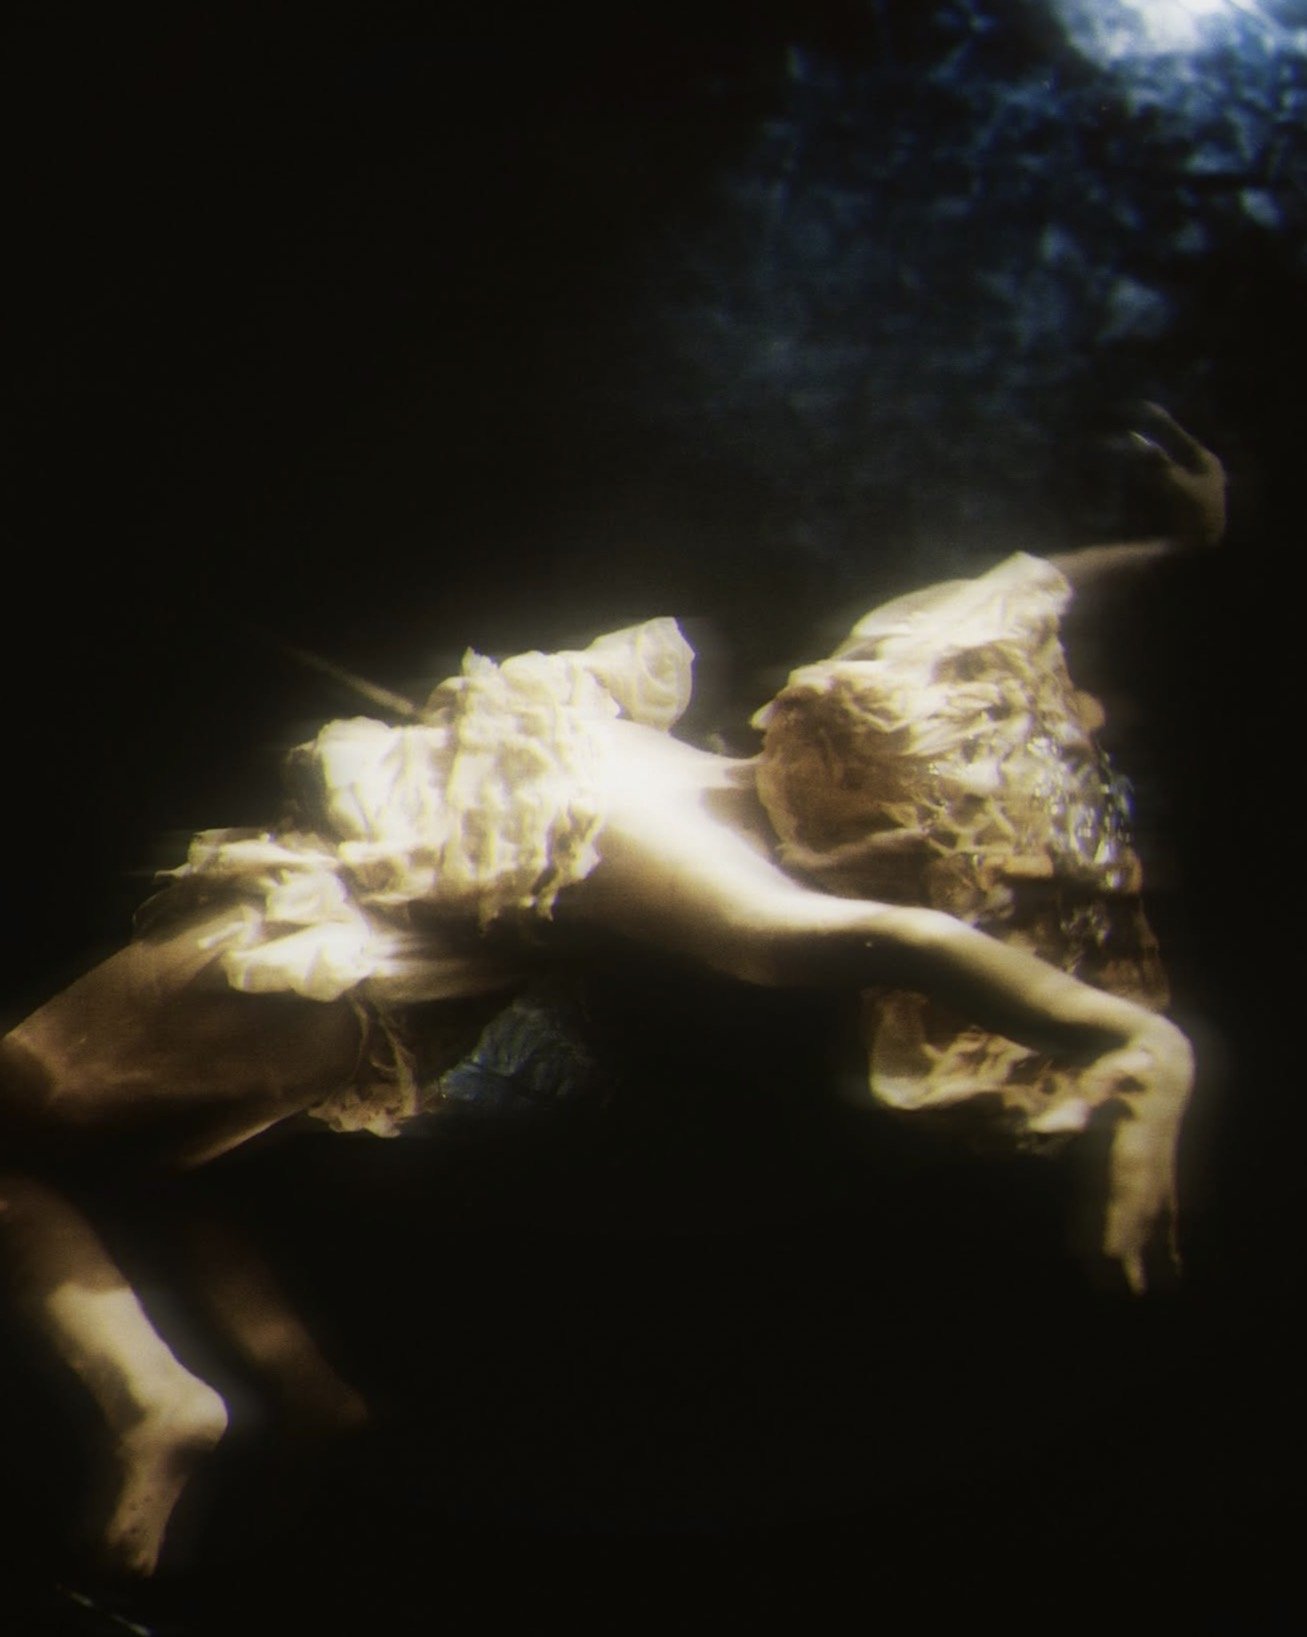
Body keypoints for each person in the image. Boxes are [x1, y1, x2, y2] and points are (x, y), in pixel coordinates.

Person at [0, 407, 1221, 1575]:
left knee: (12, 1133)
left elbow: (894, 932)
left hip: (274, 968)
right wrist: (1169, 549)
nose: (850, 676)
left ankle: (155, 1401)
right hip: (309, 1000)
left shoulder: (696, 853)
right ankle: (300, 1392)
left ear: (882, 814)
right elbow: (1007, 604)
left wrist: (1128, 1037)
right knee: (135, 1176)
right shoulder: (667, 760)